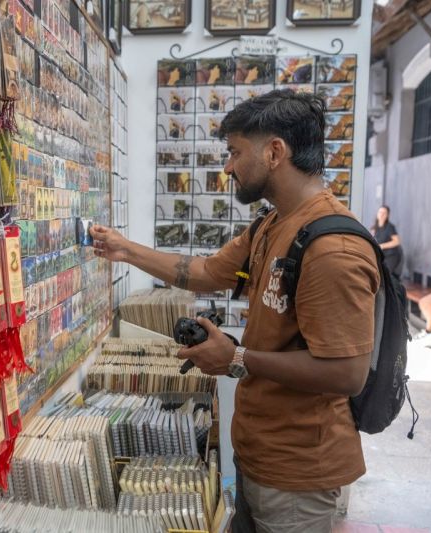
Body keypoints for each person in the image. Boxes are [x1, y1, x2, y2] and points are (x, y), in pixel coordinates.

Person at [90, 89, 377, 532]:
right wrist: (124, 250)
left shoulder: (333, 249)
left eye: (235, 153)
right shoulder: (271, 223)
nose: (227, 167)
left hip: (299, 476)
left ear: (275, 152)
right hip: (258, 456)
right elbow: (206, 272)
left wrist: (236, 358)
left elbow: (347, 373)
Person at [370, 205, 403, 277]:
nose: (381, 214)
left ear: (387, 215)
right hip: (381, 256)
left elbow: (397, 241)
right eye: (380, 212)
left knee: (385, 275)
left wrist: (382, 246)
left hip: (391, 256)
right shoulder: (374, 228)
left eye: (384, 213)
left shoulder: (390, 227)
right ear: (377, 214)